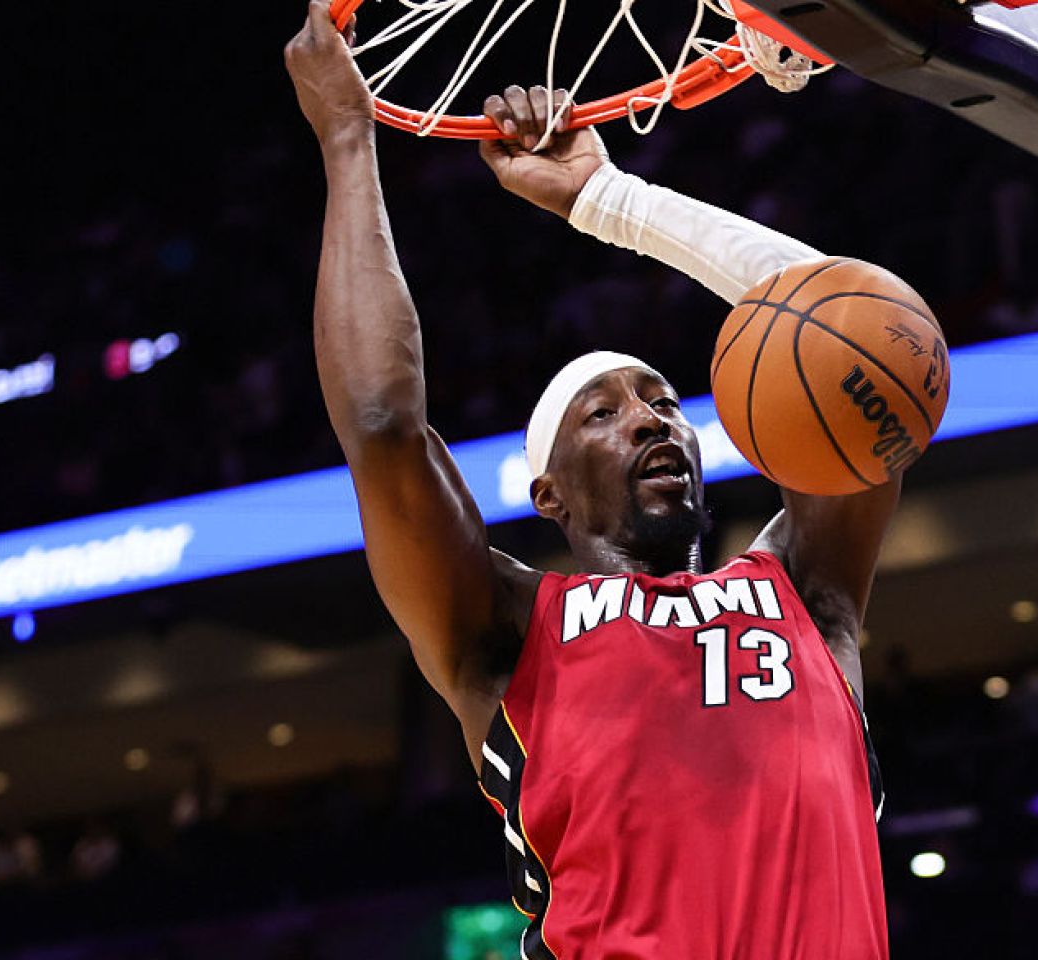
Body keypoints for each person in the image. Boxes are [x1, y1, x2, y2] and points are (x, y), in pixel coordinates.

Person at [284, 2, 909, 955]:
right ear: (550, 495)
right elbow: (381, 427)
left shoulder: (805, 593)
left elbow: (855, 334)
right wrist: (345, 139)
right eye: (605, 412)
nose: (653, 417)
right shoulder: (507, 630)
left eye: (663, 402)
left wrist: (611, 203)